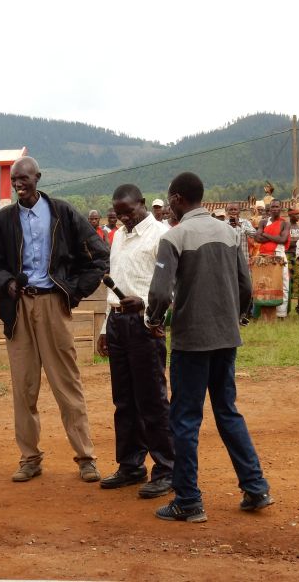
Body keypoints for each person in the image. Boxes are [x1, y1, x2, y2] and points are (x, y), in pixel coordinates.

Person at [147, 172, 271, 523]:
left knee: (184, 419)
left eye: (169, 200)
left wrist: (153, 319)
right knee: (227, 410)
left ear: (175, 200)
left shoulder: (175, 236)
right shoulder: (230, 233)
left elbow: (158, 293)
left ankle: (188, 500)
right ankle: (255, 487)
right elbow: (245, 285)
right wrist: (239, 316)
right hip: (226, 337)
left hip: (192, 340)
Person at [0, 156, 109, 483]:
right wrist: (8, 283)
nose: (19, 184)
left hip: (53, 304)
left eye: (25, 178)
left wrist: (73, 292)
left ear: (38, 177)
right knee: (24, 388)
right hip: (18, 308)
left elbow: (98, 256)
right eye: (15, 180)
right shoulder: (3, 220)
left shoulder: (62, 213)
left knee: (67, 384)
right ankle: (30, 458)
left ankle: (86, 457)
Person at [96, 184, 175, 499]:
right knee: (124, 400)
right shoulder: (118, 237)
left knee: (152, 399)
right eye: (119, 213)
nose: (124, 217)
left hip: (146, 325)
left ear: (142, 204)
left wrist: (145, 306)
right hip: (117, 324)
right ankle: (131, 465)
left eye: (129, 211)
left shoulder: (161, 235)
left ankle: (167, 469)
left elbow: (171, 285)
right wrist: (105, 325)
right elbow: (114, 282)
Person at [255, 199, 290, 318]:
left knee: (283, 283)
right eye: (272, 207)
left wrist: (265, 234)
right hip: (265, 254)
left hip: (279, 253)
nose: (275, 209)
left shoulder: (285, 223)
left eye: (277, 206)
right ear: (269, 209)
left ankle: (281, 314)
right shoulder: (263, 222)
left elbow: (283, 240)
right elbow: (257, 238)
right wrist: (274, 237)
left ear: (281, 208)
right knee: (264, 283)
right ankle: (264, 312)